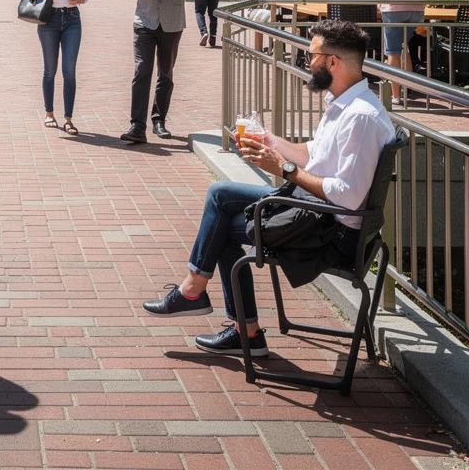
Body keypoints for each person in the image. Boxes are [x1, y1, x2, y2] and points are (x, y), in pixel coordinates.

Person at [141, 21, 395, 358]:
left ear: (334, 62)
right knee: (220, 194)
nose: (308, 61)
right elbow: (315, 155)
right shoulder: (346, 104)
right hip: (316, 211)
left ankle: (235, 324)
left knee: (226, 232)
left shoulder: (360, 117)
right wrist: (269, 141)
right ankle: (200, 296)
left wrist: (284, 170)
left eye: (313, 55)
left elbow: (347, 196)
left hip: (333, 233)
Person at [121, 0, 199, 145]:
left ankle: (159, 121)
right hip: (144, 21)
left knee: (165, 73)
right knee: (142, 71)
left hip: (172, 23)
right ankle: (137, 125)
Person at [29, 0, 89, 135]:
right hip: (49, 19)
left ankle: (68, 119)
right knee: (50, 70)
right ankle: (49, 114)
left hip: (72, 18)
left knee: (69, 71)